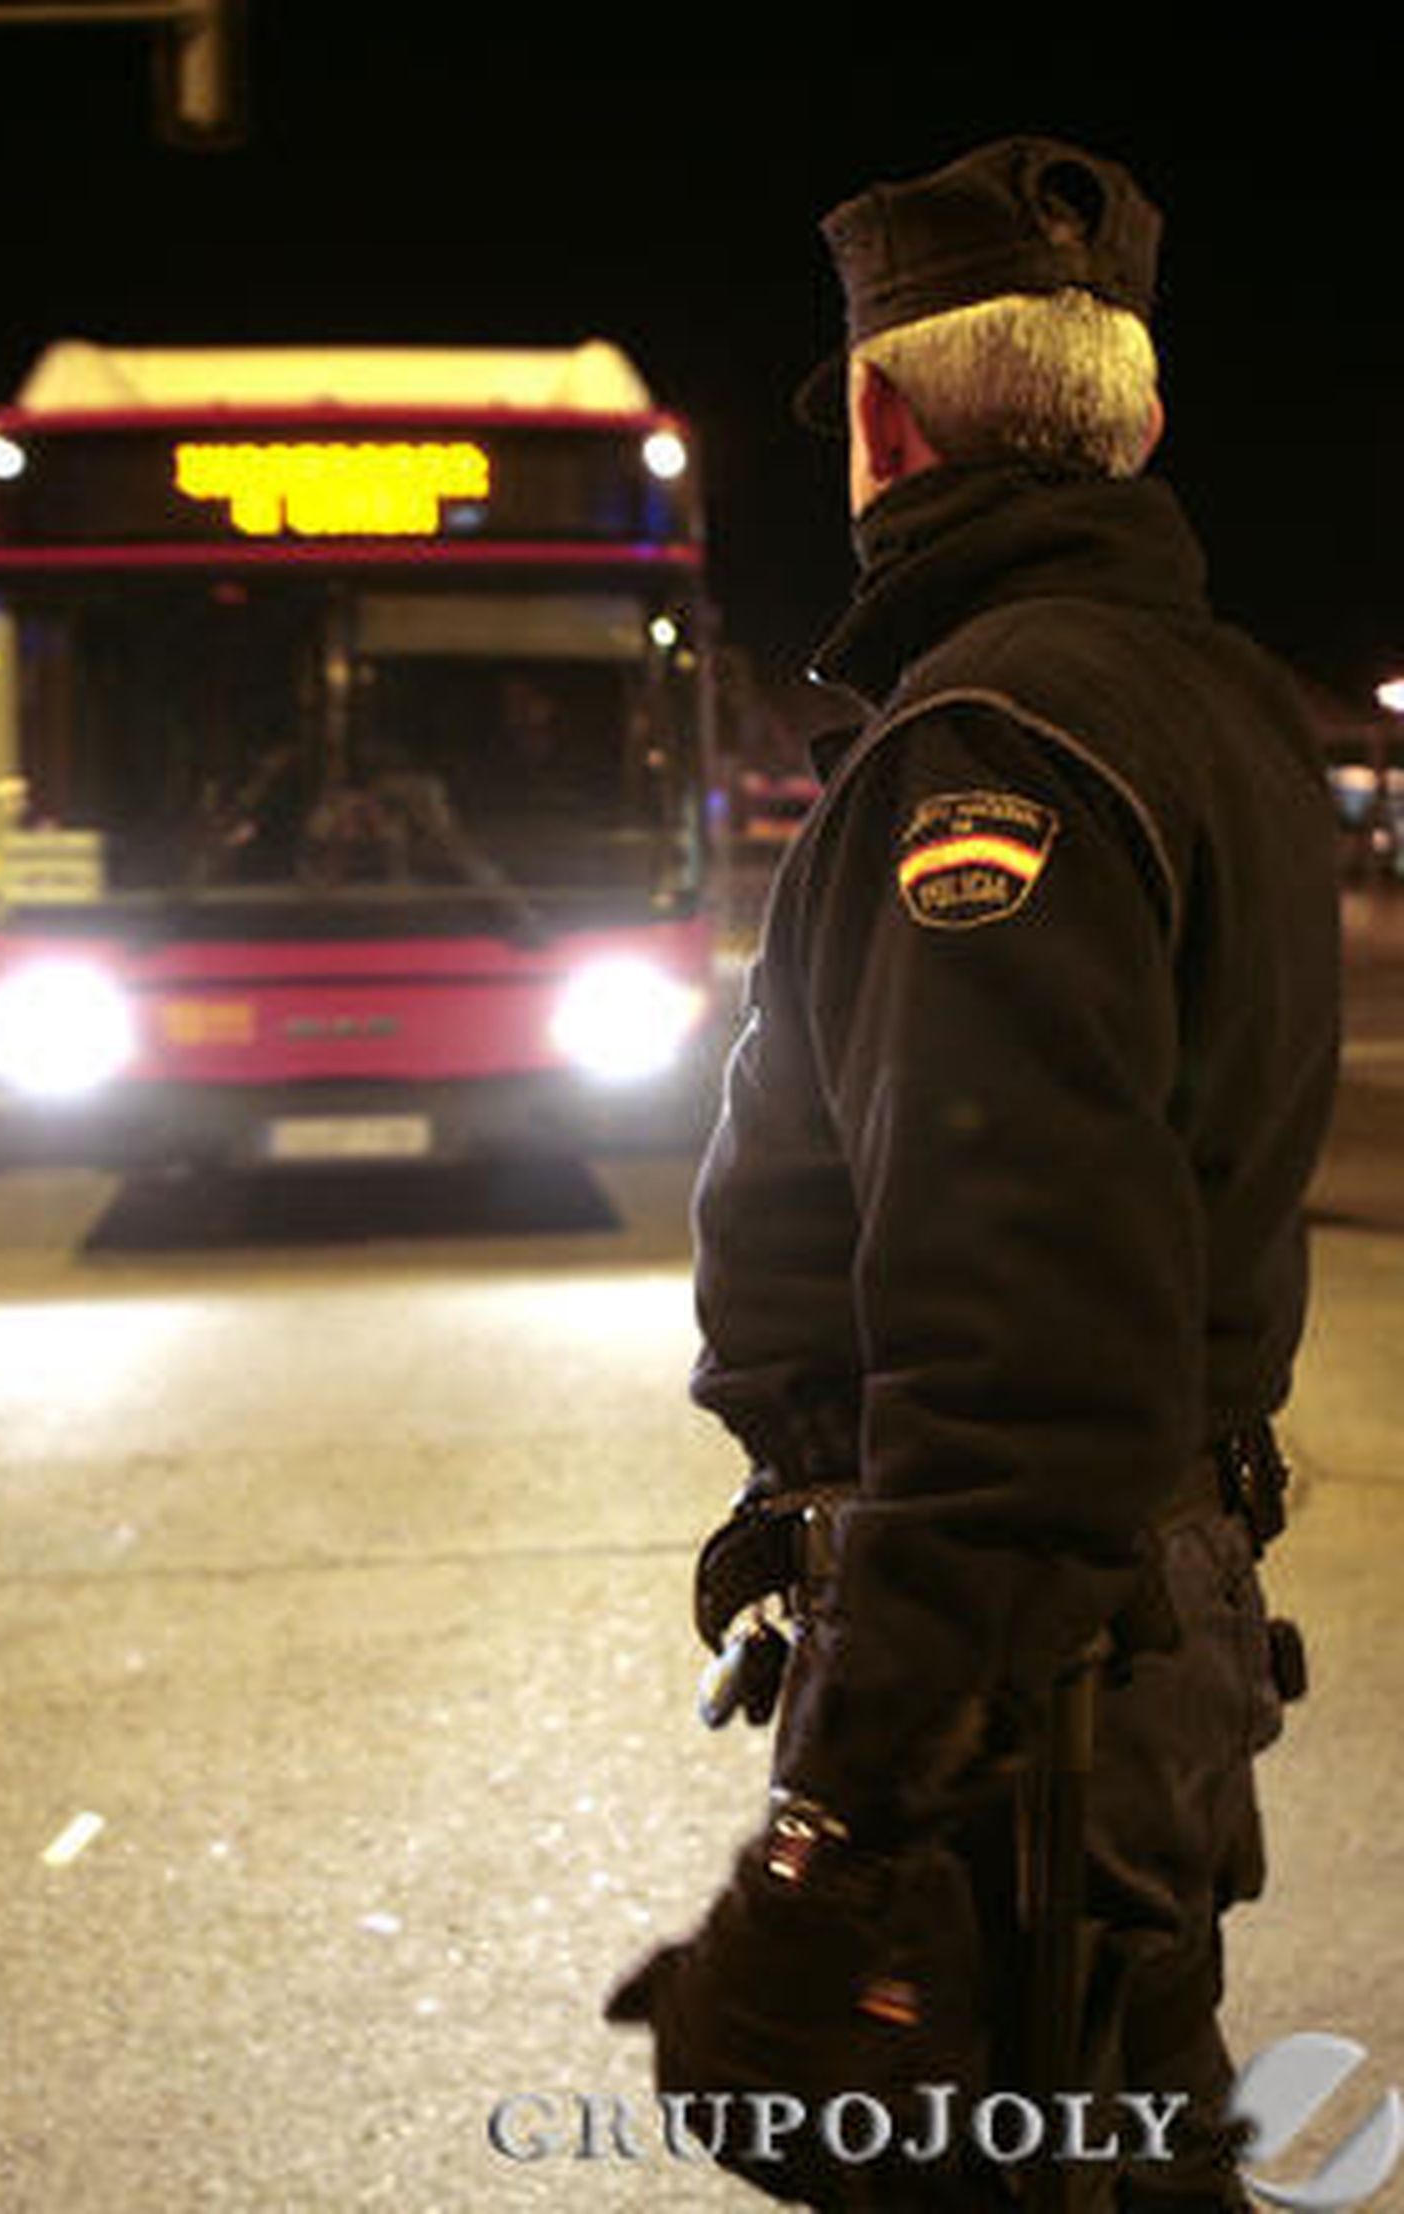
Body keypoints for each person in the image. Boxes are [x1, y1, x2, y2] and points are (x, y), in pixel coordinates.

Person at [606, 137, 1340, 2212]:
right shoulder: (1213, 706)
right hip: (1121, 1643)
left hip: (1027, 1696)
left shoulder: (989, 745)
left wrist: (832, 1841)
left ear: (877, 418)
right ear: (1140, 423)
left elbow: (1019, 1365)